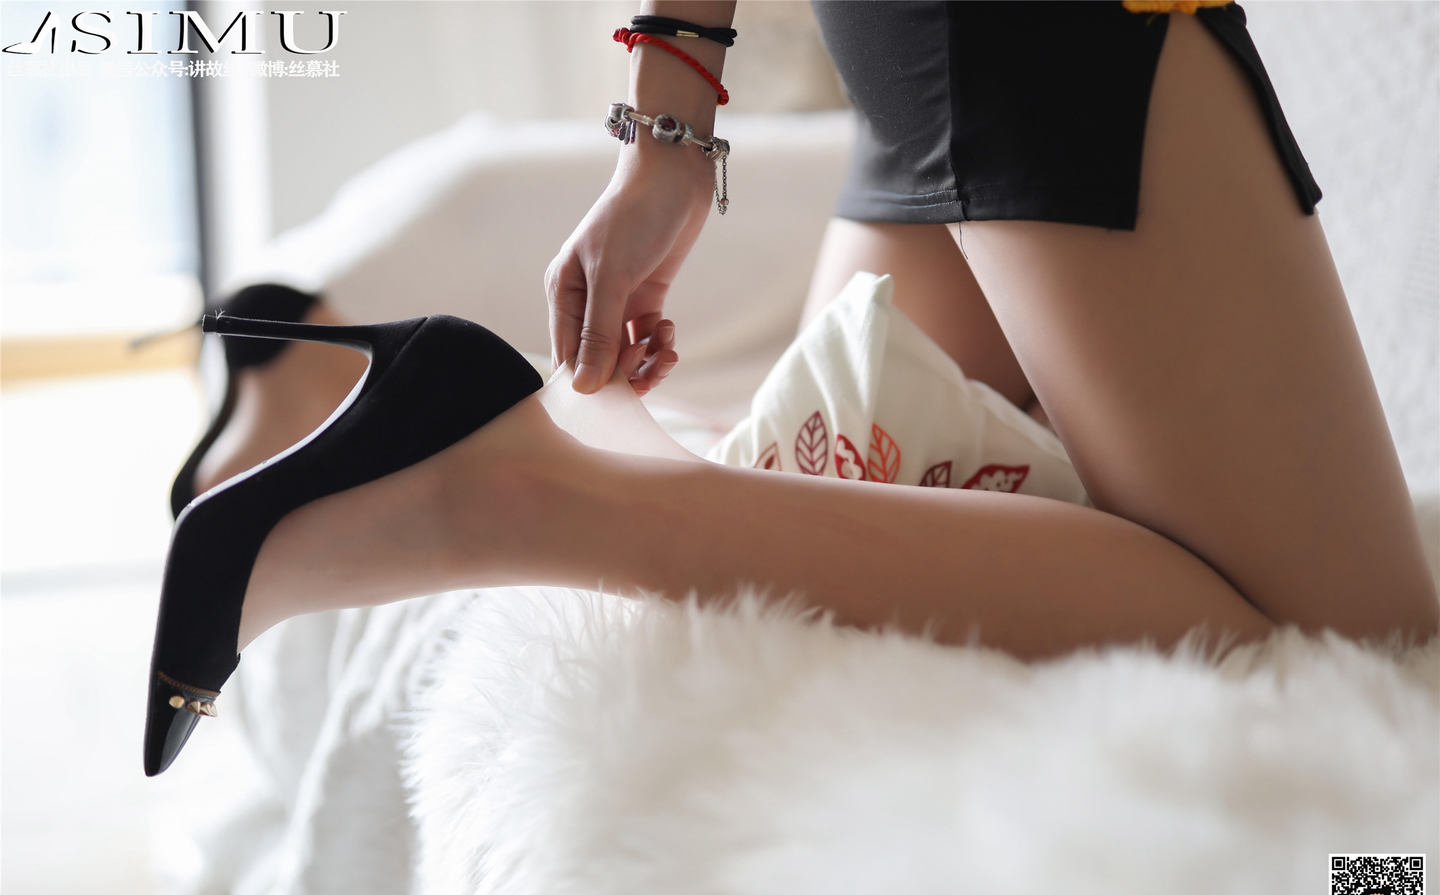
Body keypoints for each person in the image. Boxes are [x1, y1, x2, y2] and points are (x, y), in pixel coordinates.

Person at [145, 0, 1437, 776]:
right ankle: (506, 491)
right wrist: (664, 129)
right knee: (1354, 644)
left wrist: (668, 131)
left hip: (934, 35)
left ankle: (581, 461)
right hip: (1065, 28)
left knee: (859, 457)